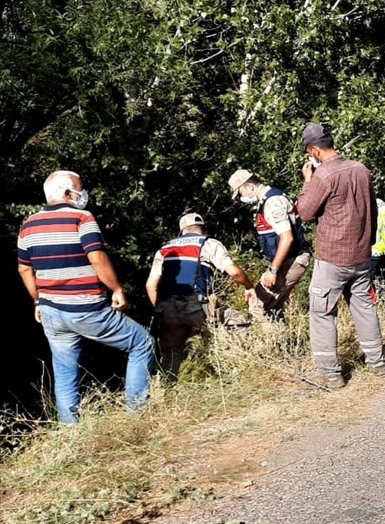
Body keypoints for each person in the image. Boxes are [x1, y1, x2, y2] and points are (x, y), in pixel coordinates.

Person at [16, 171, 154, 424]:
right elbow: (97, 257)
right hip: (86, 307)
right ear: (68, 193)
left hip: (50, 311)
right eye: (80, 189)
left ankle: (71, 434)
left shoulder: (28, 225)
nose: (84, 193)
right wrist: (117, 289)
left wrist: (37, 300)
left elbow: (24, 268)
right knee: (141, 343)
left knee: (64, 372)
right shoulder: (82, 217)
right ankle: (137, 415)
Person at [295, 123, 385, 387]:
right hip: (361, 252)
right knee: (364, 306)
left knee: (322, 311)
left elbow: (304, 212)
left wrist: (307, 182)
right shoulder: (361, 169)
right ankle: (377, 362)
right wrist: (369, 242)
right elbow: (371, 208)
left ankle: (331, 374)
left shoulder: (323, 176)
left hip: (333, 257)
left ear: (314, 150)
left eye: (308, 152)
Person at [145, 213, 255, 375]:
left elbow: (150, 285)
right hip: (199, 305)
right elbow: (234, 273)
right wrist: (248, 286)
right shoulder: (209, 243)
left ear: (182, 230)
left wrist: (162, 310)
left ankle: (166, 390)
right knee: (240, 322)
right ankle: (237, 370)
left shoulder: (164, 249)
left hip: (168, 308)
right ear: (203, 229)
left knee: (171, 358)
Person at [227, 169, 312, 320]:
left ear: (249, 187)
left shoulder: (272, 202)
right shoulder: (268, 199)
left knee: (257, 304)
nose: (241, 198)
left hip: (292, 259)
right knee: (274, 308)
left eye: (240, 193)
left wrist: (273, 271)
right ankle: (282, 340)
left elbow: (287, 238)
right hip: (287, 260)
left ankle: (269, 341)